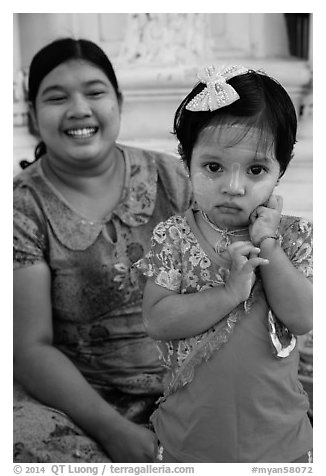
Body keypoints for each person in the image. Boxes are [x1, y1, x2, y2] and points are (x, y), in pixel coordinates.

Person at [13, 37, 191, 463]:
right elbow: (30, 348)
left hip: (196, 380)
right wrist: (114, 432)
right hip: (86, 402)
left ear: (119, 102)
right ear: (34, 115)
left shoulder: (173, 176)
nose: (79, 109)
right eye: (57, 98)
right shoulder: (22, 208)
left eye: (95, 93)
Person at [135, 65, 313, 463]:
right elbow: (157, 321)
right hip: (189, 441)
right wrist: (230, 292)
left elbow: (303, 318)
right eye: (214, 167)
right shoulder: (174, 237)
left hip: (281, 444)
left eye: (256, 170)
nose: (234, 187)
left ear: (281, 169)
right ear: (187, 160)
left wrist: (269, 244)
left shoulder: (294, 236)